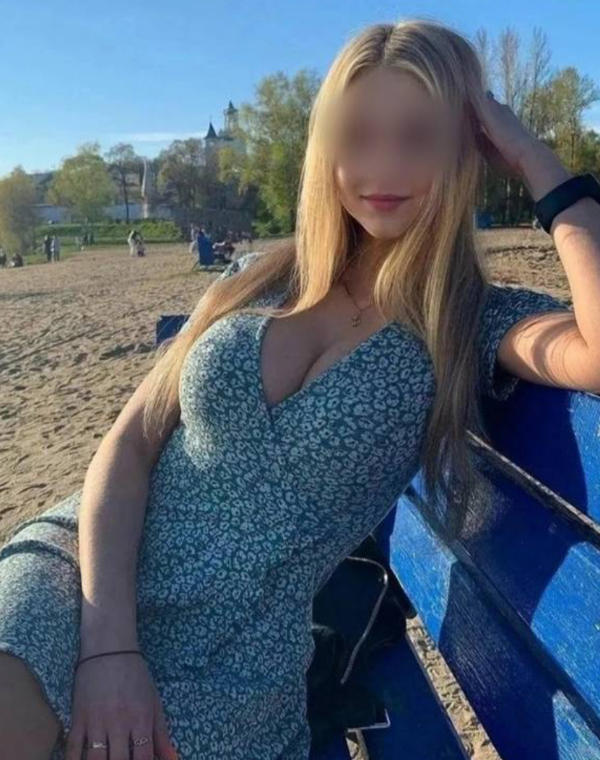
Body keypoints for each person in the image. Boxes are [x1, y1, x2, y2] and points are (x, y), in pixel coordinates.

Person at [0, 18, 592, 760]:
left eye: (418, 138)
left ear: (468, 148)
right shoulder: (258, 278)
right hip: (87, 573)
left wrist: (540, 164)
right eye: (358, 135)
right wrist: (108, 644)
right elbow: (129, 444)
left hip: (233, 657)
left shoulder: (469, 321)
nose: (383, 166)